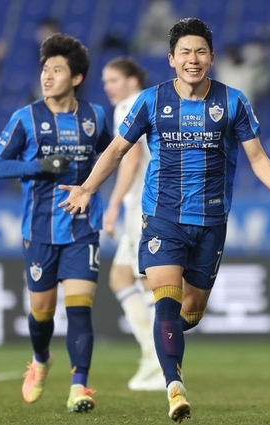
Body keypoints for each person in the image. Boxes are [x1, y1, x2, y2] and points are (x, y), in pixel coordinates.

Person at [59, 17, 270, 422]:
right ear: (171, 60)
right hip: (162, 218)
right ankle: (174, 386)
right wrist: (88, 188)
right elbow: (115, 152)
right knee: (165, 301)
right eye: (185, 53)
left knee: (190, 311)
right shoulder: (150, 102)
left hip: (211, 221)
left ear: (211, 58)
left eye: (199, 52)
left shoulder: (233, 102)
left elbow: (257, 157)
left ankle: (168, 341)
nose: (192, 59)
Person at [0, 33, 111, 413]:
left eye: (57, 70)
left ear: (76, 78)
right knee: (42, 312)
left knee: (79, 308)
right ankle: (41, 358)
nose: (47, 76)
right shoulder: (25, 118)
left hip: (82, 228)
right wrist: (39, 166)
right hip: (40, 230)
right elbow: (0, 165)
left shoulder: (95, 117)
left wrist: (93, 189)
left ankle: (80, 387)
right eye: (45, 69)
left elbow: (111, 156)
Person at [101, 56, 164, 391]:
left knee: (145, 282)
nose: (108, 87)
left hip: (142, 206)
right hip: (146, 203)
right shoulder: (150, 101)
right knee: (120, 277)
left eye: (113, 80)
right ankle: (151, 355)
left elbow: (131, 156)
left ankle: (161, 360)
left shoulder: (129, 105)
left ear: (130, 80)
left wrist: (112, 205)